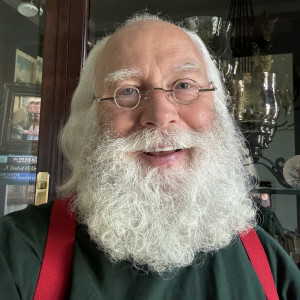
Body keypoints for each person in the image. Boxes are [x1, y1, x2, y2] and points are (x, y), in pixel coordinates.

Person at [0, 13, 299, 299]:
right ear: (88, 119)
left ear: (218, 109)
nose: (160, 115)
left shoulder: (266, 261)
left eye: (184, 85)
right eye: (127, 91)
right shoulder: (15, 254)